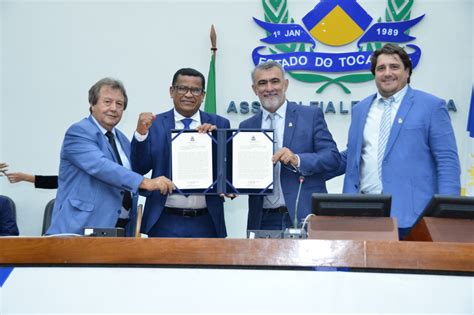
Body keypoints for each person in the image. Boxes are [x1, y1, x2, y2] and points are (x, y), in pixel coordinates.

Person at [332, 43, 460, 239]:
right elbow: (353, 157)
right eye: (380, 68)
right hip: (363, 213)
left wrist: (448, 214)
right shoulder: (361, 109)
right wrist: (303, 162)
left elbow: (447, 162)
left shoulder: (432, 106)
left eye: (394, 66)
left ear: (407, 72)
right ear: (374, 74)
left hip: (415, 217)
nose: (387, 73)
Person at [47, 78, 175, 235]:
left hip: (121, 230)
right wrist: (147, 182)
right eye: (107, 102)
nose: (114, 108)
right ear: (92, 104)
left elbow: (131, 177)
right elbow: (101, 167)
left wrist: (172, 187)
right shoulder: (79, 132)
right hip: (80, 228)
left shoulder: (121, 139)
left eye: (119, 104)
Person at [239, 61, 341, 231]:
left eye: (275, 81)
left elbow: (333, 158)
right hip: (263, 219)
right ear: (254, 89)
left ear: (285, 84)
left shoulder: (310, 116)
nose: (269, 88)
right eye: (262, 83)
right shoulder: (246, 126)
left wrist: (298, 159)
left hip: (304, 217)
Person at [131, 68, 230, 237]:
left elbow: (227, 170)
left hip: (206, 221)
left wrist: (214, 142)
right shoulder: (154, 124)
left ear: (203, 94)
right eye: (182, 88)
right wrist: (140, 134)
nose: (189, 95)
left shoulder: (219, 124)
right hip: (164, 219)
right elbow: (140, 167)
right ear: (172, 91)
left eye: (195, 90)